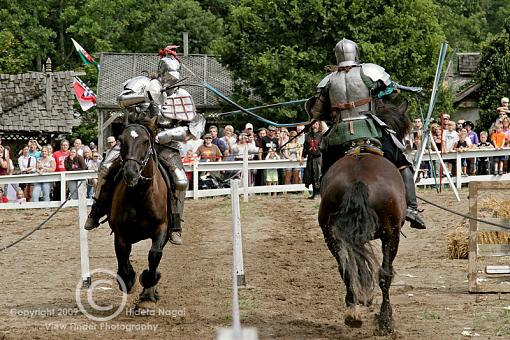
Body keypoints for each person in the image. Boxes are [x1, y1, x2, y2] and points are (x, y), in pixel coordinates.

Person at [84, 45, 205, 247]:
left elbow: (192, 128)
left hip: (166, 145)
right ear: (161, 71)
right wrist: (146, 96)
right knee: (106, 168)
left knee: (181, 181)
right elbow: (121, 100)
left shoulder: (182, 95)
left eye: (174, 76)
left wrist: (166, 135)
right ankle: (96, 211)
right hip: (136, 138)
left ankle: (175, 225)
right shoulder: (142, 83)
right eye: (168, 75)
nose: (171, 80)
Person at [305, 38, 426, 229]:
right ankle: (411, 207)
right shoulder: (368, 71)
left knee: (327, 168)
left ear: (337, 57)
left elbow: (316, 113)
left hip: (340, 134)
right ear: (356, 54)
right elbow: (390, 93)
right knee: (402, 161)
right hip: (369, 128)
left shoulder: (328, 80)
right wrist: (380, 91)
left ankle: (324, 198)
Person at [300, 121, 322, 199]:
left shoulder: (321, 135)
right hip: (310, 158)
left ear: (319, 125)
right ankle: (314, 193)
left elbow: (324, 146)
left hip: (319, 158)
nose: (314, 125)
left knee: (318, 174)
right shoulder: (307, 135)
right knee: (311, 175)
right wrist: (302, 157)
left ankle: (319, 193)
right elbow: (305, 147)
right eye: (313, 124)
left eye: (316, 124)